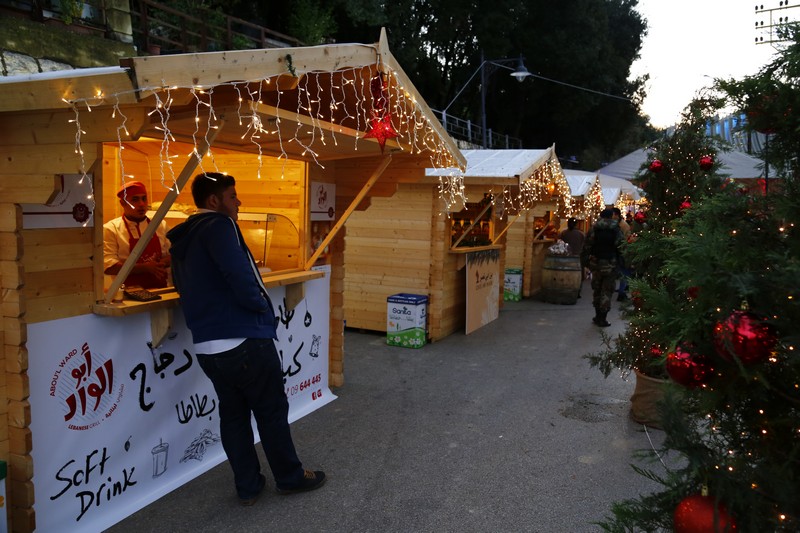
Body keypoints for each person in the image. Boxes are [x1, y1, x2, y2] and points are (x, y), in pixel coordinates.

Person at [167, 172, 325, 506]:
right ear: (214, 201)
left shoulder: (184, 237)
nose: (238, 203)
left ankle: (248, 486)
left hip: (207, 348)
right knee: (271, 412)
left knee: (233, 417)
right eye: (233, 196)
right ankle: (290, 477)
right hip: (244, 340)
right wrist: (261, 310)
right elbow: (240, 275)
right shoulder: (220, 227)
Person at [103, 181, 170, 289]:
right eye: (135, 200)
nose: (141, 204)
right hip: (127, 295)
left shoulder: (160, 225)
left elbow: (173, 254)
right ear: (123, 203)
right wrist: (144, 268)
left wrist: (159, 265)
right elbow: (109, 267)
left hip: (160, 290)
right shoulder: (111, 229)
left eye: (144, 198)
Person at [582, 208, 623, 327]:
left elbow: (587, 245)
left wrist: (585, 261)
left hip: (596, 263)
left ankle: (597, 315)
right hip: (611, 263)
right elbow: (621, 246)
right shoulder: (616, 229)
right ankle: (603, 318)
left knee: (597, 289)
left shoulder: (594, 228)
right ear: (611, 216)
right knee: (607, 290)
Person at [559, 217, 586, 297]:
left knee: (565, 274)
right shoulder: (581, 234)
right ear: (576, 224)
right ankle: (577, 291)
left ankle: (565, 288)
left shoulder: (563, 233)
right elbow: (584, 245)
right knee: (578, 275)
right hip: (577, 257)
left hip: (566, 257)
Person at [612, 207, 631, 302]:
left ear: (616, 215)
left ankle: (622, 292)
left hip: (622, 252)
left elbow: (628, 239)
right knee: (621, 272)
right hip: (618, 252)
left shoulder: (623, 225)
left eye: (613, 215)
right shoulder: (616, 224)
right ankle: (621, 290)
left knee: (624, 272)